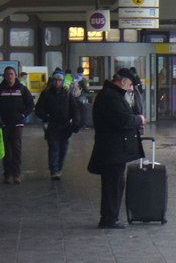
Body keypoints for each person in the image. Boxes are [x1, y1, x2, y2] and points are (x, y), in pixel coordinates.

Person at [87, 68, 146, 229]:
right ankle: (109, 218)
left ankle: (109, 217)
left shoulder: (111, 94)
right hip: (113, 149)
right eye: (130, 84)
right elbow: (123, 120)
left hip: (113, 148)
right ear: (122, 81)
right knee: (113, 184)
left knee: (113, 183)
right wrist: (138, 119)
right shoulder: (111, 97)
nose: (131, 88)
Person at [35, 70, 81, 180]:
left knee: (63, 148)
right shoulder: (46, 94)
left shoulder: (68, 94)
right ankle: (54, 170)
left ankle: (59, 168)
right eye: (56, 80)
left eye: (60, 80)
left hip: (65, 126)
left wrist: (76, 123)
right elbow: (38, 109)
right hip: (52, 126)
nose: (57, 82)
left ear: (62, 81)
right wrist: (46, 117)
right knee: (54, 148)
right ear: (52, 81)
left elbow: (75, 110)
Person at [0, 66, 34, 184]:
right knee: (6, 151)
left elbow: (30, 104)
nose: (9, 76)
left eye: (11, 74)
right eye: (7, 74)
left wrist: (23, 115)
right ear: (4, 76)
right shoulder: (1, 89)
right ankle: (7, 174)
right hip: (4, 124)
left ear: (15, 76)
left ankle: (17, 174)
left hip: (17, 124)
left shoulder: (22, 89)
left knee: (16, 149)